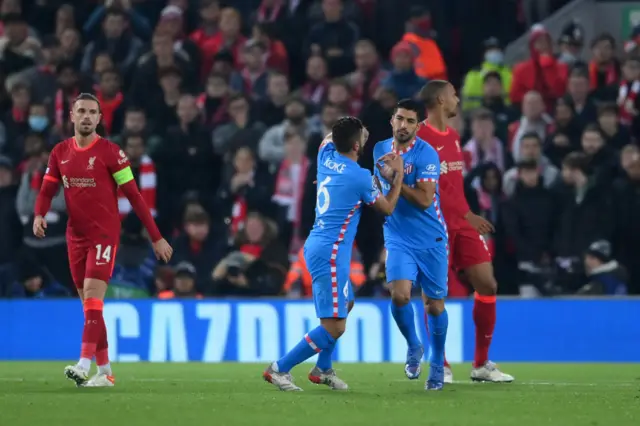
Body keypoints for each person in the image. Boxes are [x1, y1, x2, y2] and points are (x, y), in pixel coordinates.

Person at [33, 93, 173, 388]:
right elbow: (47, 190)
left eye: (92, 112)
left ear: (99, 118)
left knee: (94, 300)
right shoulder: (59, 152)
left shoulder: (111, 152)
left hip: (104, 235)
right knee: (90, 308)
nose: (86, 116)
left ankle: (83, 365)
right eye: (81, 111)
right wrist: (39, 214)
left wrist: (156, 238)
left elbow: (135, 196)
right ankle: (105, 372)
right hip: (76, 236)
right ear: (71, 116)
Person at [263, 117, 404, 391]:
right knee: (334, 327)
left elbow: (329, 137)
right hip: (331, 252)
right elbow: (386, 208)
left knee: (346, 304)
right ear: (354, 145)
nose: (365, 139)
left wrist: (349, 128)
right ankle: (279, 368)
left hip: (320, 244)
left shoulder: (325, 157)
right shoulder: (360, 176)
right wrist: (395, 178)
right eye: (363, 137)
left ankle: (323, 368)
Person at [417, 80, 514, 383]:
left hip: (461, 222)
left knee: (487, 283)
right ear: (440, 100)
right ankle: (439, 362)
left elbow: (454, 188)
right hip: (433, 225)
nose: (458, 99)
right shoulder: (418, 137)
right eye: (453, 95)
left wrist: (469, 215)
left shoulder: (455, 136)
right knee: (435, 296)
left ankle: (481, 364)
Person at [373, 99, 450, 390]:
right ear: (392, 120)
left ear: (419, 126)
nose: (403, 126)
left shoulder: (427, 154)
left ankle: (438, 361)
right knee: (400, 296)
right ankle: (414, 345)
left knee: (433, 306)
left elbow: (425, 200)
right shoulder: (380, 149)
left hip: (430, 237)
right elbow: (380, 189)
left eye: (410, 121)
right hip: (397, 236)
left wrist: (398, 179)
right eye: (399, 119)